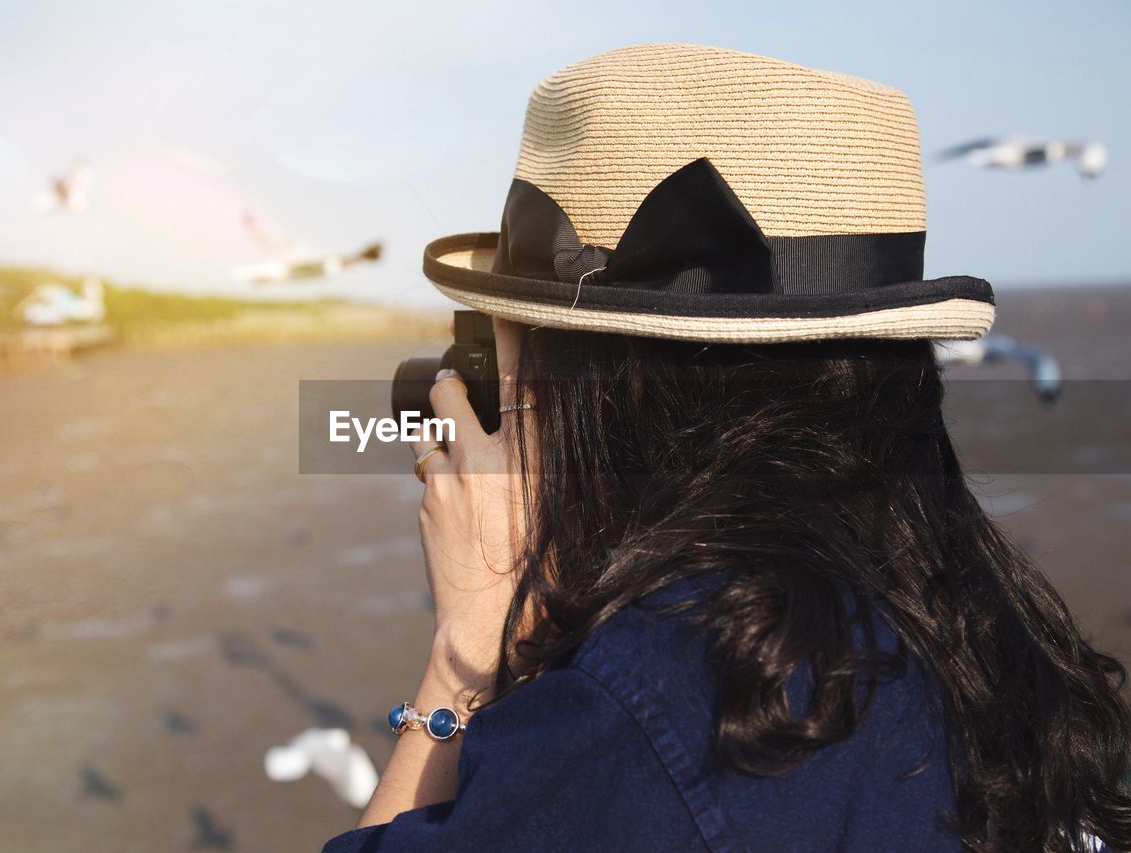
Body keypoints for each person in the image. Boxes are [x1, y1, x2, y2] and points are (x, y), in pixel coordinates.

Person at [324, 44, 1131, 851]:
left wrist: (465, 654)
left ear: (599, 378)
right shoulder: (981, 635)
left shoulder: (648, 705)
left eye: (500, 341)